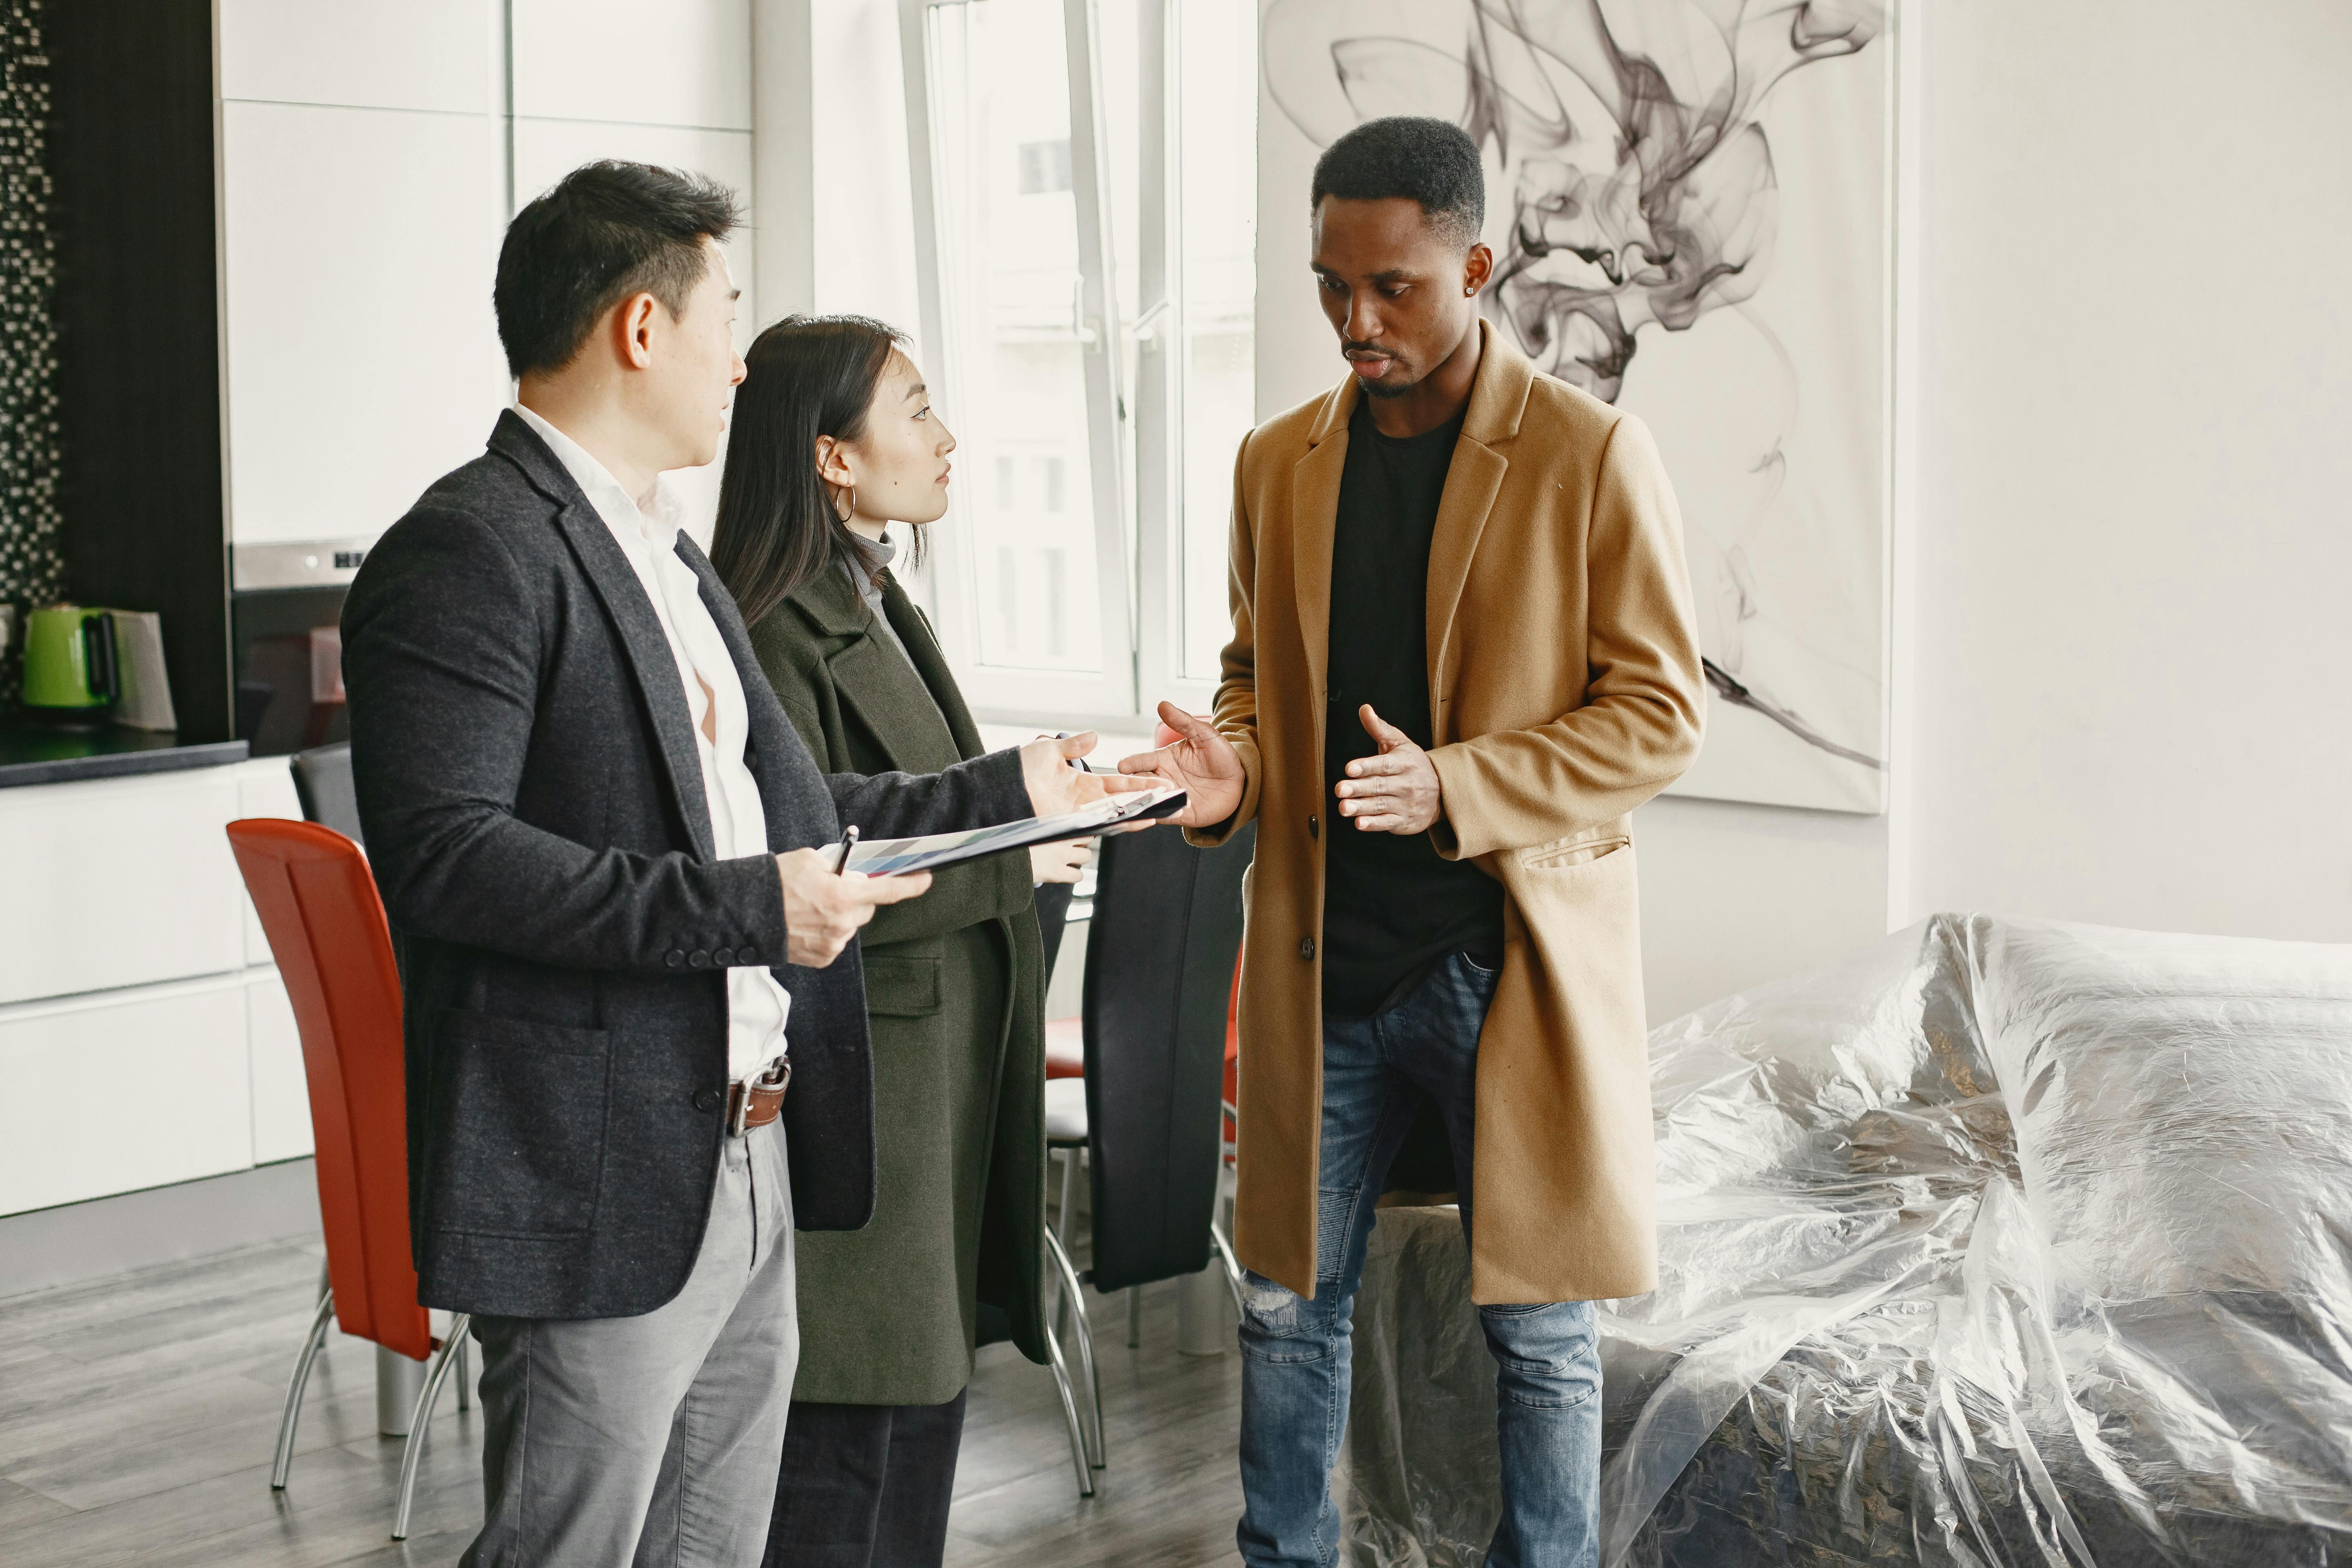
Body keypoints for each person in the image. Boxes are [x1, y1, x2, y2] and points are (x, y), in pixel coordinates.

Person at [341, 161, 1131, 1568]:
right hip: (606, 1166)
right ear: (642, 330)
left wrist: (1015, 786)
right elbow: (451, 864)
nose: (741, 357)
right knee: (567, 1546)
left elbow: (799, 801)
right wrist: (752, 908)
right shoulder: (470, 547)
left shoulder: (674, 557)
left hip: (757, 1149)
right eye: (727, 317)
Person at [1119, 118, 1706, 1567]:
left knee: (1541, 1328)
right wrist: (1228, 777)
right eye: (1331, 287)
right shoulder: (1276, 464)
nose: (1356, 323)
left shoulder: (1587, 455)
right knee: (1283, 1307)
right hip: (1322, 969)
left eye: (1395, 289)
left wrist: (1461, 786)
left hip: (1503, 963)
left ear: (1479, 268)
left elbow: (1660, 715)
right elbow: (1255, 673)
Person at [708, 314, 1089, 1568]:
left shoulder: (871, 591)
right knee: (854, 1438)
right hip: (869, 1072)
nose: (946, 438)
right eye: (916, 410)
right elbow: (810, 828)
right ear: (832, 457)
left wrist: (1024, 825)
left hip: (931, 1061)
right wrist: (1009, 804)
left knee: (917, 1414)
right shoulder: (772, 620)